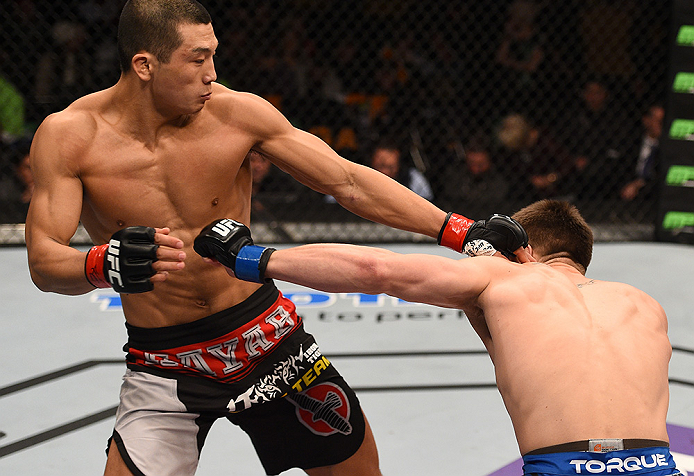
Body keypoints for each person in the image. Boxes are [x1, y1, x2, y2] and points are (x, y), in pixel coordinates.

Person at [24, 0, 529, 476]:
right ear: (144, 65)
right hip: (163, 361)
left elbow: (347, 181)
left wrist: (461, 232)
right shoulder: (71, 136)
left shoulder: (236, 114)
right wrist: (100, 264)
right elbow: (44, 262)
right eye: (196, 59)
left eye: (213, 56)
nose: (212, 74)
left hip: (267, 340)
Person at [200, 200, 681, 476]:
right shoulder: (644, 305)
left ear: (525, 250)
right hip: (657, 465)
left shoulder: (508, 281)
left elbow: (377, 269)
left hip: (565, 466)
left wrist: (250, 258)